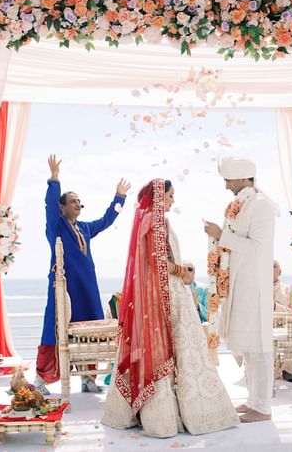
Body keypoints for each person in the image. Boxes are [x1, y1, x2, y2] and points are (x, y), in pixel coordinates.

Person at [102, 179, 239, 438]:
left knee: (166, 349)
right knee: (184, 349)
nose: (173, 201)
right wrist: (184, 273)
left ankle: (156, 412)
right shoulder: (157, 222)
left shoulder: (145, 221)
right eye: (170, 196)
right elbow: (159, 262)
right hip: (170, 293)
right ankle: (175, 414)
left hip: (157, 293)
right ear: (158, 197)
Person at [36, 155, 131, 394]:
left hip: (87, 288)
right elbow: (49, 204)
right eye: (73, 201)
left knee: (90, 330)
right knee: (54, 329)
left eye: (80, 201)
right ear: (62, 207)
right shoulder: (56, 226)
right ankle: (41, 380)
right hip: (63, 287)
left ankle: (88, 378)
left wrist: (119, 198)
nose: (78, 204)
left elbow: (107, 220)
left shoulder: (85, 228)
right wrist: (54, 178)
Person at [203, 156, 278, 423]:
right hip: (240, 283)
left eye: (229, 180)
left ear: (245, 178)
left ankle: (264, 407)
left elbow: (257, 247)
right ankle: (254, 400)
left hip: (254, 286)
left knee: (259, 346)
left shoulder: (262, 206)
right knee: (248, 346)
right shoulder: (242, 204)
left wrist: (220, 235)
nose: (226, 187)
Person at [273, 260, 292, 383]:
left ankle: (287, 370)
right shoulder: (258, 289)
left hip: (286, 325)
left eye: (274, 266)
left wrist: (275, 307)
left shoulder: (290, 289)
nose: (270, 269)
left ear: (280, 271)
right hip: (264, 325)